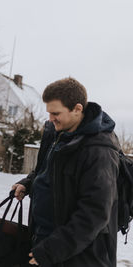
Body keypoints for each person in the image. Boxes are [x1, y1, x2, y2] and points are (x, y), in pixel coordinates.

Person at [12, 78, 120, 267]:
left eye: (56, 113)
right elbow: (47, 170)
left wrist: (52, 250)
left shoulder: (99, 151)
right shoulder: (59, 134)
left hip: (77, 256)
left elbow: (94, 213)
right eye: (49, 113)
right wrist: (28, 183)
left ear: (77, 109)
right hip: (46, 243)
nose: (50, 119)